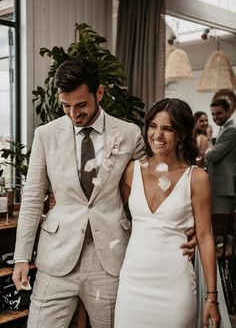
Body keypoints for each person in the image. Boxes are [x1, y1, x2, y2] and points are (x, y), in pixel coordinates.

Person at [12, 56, 195, 328]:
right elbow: (32, 198)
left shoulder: (129, 133)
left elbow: (156, 181)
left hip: (110, 258)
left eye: (81, 105)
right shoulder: (45, 135)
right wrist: (21, 257)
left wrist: (182, 226)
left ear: (99, 93)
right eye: (66, 106)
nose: (74, 114)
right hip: (56, 258)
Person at [114, 98, 221, 328]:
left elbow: (204, 237)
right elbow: (108, 215)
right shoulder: (132, 170)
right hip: (133, 284)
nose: (157, 135)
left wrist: (212, 297)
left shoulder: (197, 178)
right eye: (153, 126)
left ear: (181, 133)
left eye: (167, 128)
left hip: (175, 286)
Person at [206, 98, 236, 215]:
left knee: (220, 226)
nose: (215, 117)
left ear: (228, 111)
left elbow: (213, 155)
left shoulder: (232, 130)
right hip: (219, 187)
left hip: (224, 188)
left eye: (219, 113)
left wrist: (208, 143)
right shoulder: (223, 129)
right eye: (213, 114)